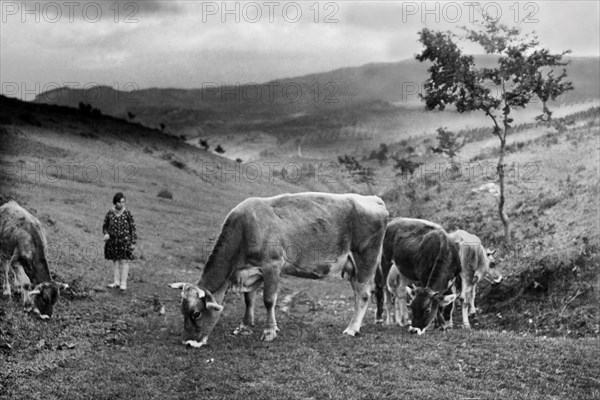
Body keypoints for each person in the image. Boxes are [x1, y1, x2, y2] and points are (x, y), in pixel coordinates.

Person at [102, 192, 137, 291]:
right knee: (115, 261)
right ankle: (116, 282)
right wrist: (106, 233)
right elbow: (105, 226)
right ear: (116, 203)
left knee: (124, 261)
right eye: (121, 202)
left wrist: (133, 242)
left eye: (124, 202)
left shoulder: (127, 214)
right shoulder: (110, 213)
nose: (123, 204)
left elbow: (133, 228)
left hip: (125, 241)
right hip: (113, 241)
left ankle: (123, 283)